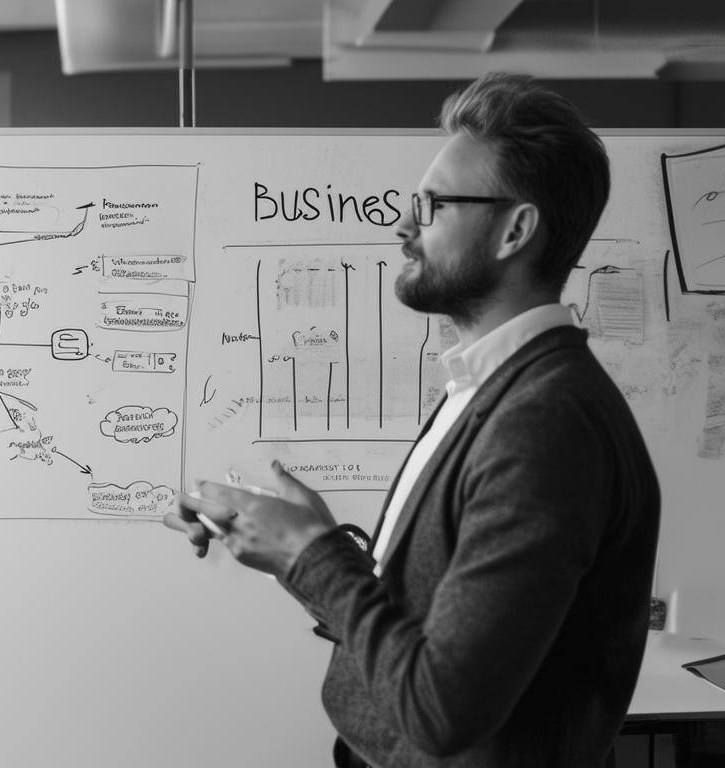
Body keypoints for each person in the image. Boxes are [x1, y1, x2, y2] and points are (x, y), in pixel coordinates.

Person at [167, 72, 659, 768]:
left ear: (515, 230)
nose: (402, 225)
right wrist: (301, 546)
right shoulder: (488, 388)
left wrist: (308, 554)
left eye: (431, 206)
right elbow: (432, 628)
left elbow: (443, 708)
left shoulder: (545, 423)